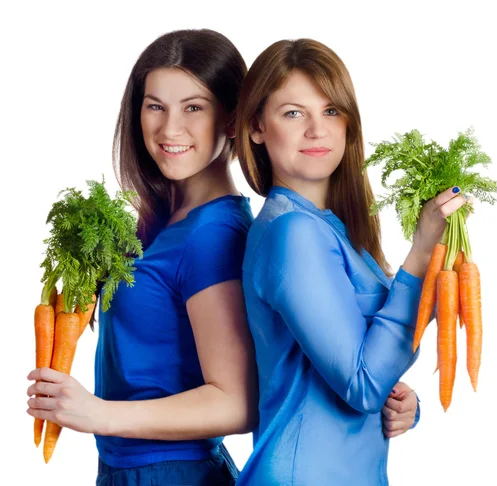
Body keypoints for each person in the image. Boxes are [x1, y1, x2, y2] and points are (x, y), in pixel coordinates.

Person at [26, 29, 258, 486]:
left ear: (232, 118)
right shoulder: (163, 222)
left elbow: (236, 402)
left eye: (194, 107)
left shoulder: (211, 235)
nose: (169, 129)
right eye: (155, 106)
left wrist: (98, 413)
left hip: (172, 473)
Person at [234, 38, 468, 485]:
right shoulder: (293, 234)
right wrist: (420, 254)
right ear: (257, 127)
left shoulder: (333, 229)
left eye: (331, 111)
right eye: (293, 113)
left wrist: (399, 403)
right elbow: (362, 383)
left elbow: (364, 369)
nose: (317, 130)